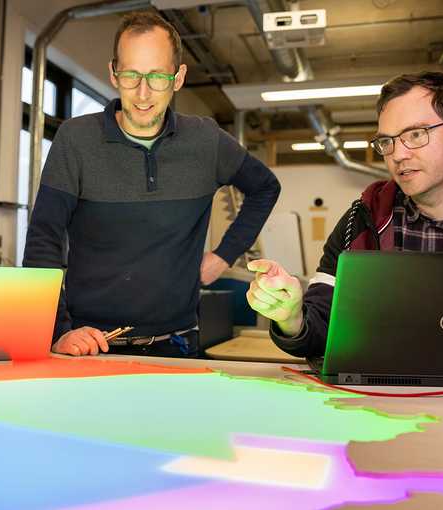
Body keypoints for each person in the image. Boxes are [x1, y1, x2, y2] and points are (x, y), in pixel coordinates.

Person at [24, 11, 280, 358]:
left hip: (179, 345)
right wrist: (57, 331)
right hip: (90, 347)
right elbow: (43, 241)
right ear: (114, 73)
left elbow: (265, 187)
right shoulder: (76, 140)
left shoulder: (205, 141)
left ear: (178, 77)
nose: (143, 93)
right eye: (131, 75)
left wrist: (224, 255)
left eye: (158, 76)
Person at [246, 71, 443, 359]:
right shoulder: (361, 220)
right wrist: (292, 317)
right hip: (384, 402)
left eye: (416, 135)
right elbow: (323, 328)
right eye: (387, 141)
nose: (397, 154)